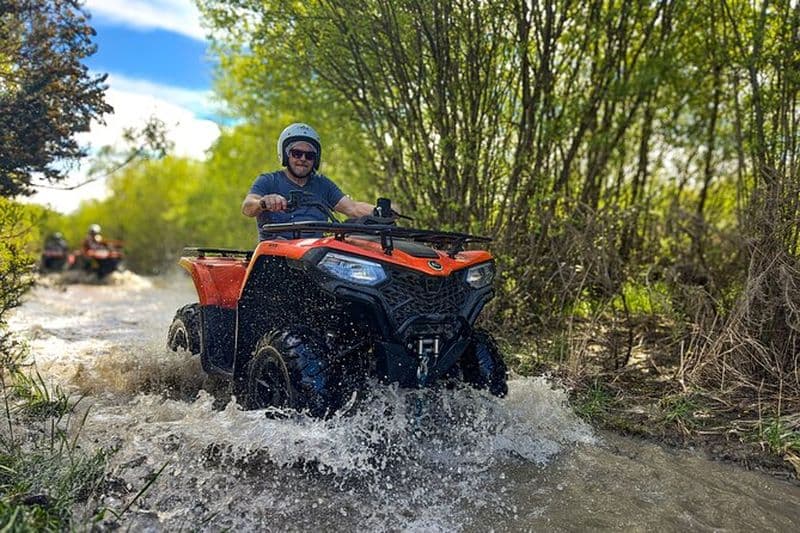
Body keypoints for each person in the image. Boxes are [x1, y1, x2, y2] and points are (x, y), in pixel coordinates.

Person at [242, 123, 375, 240]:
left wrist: (381, 211)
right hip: (276, 252)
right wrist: (263, 202)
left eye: (309, 155)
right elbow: (247, 207)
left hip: (316, 253)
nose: (303, 159)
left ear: (315, 160)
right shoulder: (268, 181)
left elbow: (352, 208)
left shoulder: (323, 185)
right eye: (297, 153)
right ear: (286, 155)